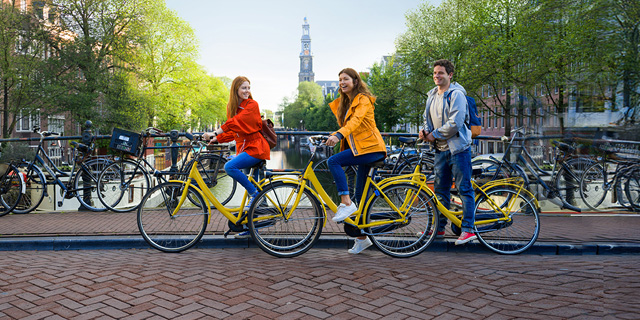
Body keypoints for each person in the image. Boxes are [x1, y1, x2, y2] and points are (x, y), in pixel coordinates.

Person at [325, 68, 387, 254]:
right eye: (340, 80)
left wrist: (338, 135)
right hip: (361, 150)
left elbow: (356, 122)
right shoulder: (348, 102)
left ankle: (345, 202)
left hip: (372, 149)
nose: (342, 83)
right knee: (361, 197)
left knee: (333, 162)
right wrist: (331, 135)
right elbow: (347, 126)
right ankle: (362, 239)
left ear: (355, 81)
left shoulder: (363, 100)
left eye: (346, 79)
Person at [203, 76, 270, 238]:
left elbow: (237, 121)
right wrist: (216, 138)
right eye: (243, 88)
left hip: (256, 148)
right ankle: (252, 228)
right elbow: (234, 130)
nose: (247, 91)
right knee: (249, 190)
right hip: (243, 149)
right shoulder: (231, 107)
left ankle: (257, 195)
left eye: (248, 87)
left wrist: (215, 131)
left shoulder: (252, 105)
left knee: (229, 167)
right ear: (236, 90)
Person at [419, 59, 476, 245]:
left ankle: (468, 230)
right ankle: (439, 228)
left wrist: (434, 134)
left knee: (464, 190)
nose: (437, 76)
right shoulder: (432, 95)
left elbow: (456, 122)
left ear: (450, 75)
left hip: (458, 149)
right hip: (439, 150)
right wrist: (425, 130)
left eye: (441, 73)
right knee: (441, 191)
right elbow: (426, 118)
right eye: (435, 73)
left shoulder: (457, 95)